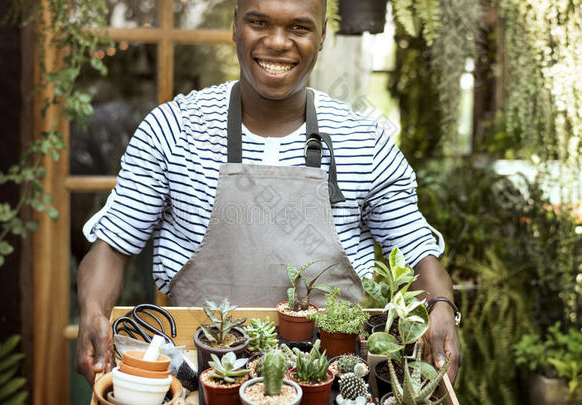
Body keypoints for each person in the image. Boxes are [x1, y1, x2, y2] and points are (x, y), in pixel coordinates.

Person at [75, 0, 461, 387]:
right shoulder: (173, 131)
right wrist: (94, 312)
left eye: (299, 27)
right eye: (258, 22)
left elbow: (419, 256)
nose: (277, 42)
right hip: (201, 375)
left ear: (322, 34)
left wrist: (441, 307)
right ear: (235, 26)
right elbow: (112, 246)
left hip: (330, 380)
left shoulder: (364, 141)